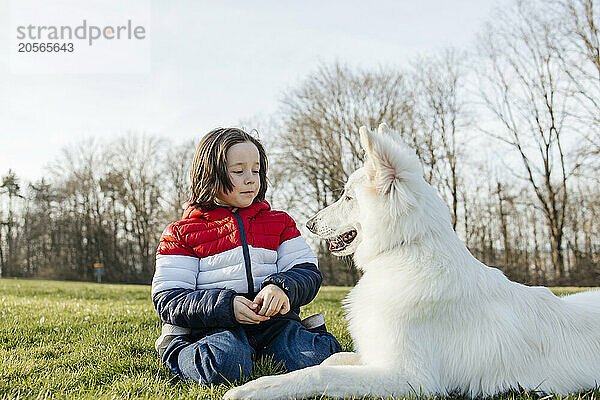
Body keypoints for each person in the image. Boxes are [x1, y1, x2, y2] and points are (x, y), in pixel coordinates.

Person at [151, 127, 342, 385]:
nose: (251, 179)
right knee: (226, 365)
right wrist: (227, 307)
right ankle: (174, 348)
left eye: (256, 170)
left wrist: (281, 288)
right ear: (209, 176)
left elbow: (307, 271)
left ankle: (302, 336)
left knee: (319, 359)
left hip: (275, 323)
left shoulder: (281, 222)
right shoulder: (181, 233)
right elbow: (169, 299)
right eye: (239, 171)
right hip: (215, 326)